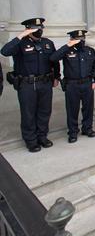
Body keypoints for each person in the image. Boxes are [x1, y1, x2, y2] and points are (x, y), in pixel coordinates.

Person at [1, 18, 60, 152]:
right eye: (35, 29)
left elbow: (54, 61)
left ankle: (42, 136)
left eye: (40, 28)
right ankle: (31, 140)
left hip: (45, 82)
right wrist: (20, 36)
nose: (39, 31)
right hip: (27, 84)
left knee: (44, 111)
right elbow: (4, 51)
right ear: (28, 29)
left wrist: (56, 77)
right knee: (28, 113)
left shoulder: (47, 43)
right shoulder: (20, 44)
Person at [50, 29, 95, 142]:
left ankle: (87, 128)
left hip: (87, 84)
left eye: (82, 39)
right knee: (72, 110)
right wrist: (68, 45)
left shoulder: (90, 51)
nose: (81, 41)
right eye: (77, 39)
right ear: (72, 39)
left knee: (88, 108)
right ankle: (73, 132)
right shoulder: (67, 51)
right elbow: (53, 58)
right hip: (72, 84)